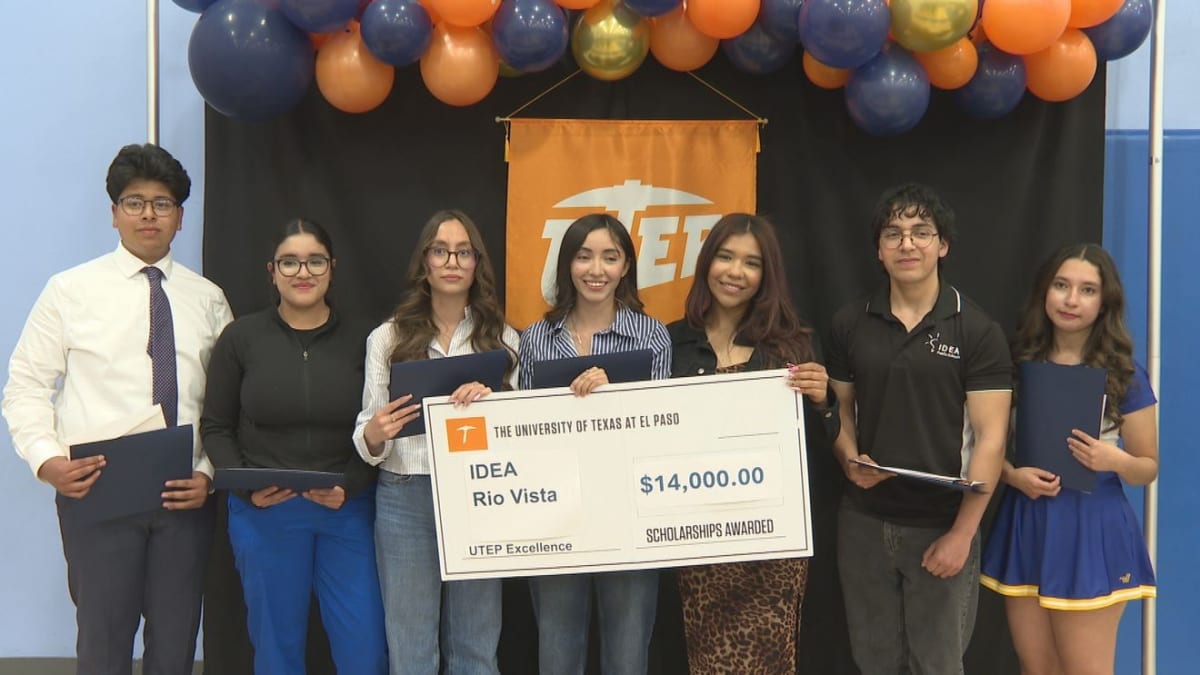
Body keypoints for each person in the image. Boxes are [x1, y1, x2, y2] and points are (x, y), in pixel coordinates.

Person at [2, 143, 232, 675]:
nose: (148, 214)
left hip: (184, 495)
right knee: (103, 647)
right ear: (113, 214)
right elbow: (26, 385)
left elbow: (227, 403)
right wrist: (46, 461)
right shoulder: (69, 291)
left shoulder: (208, 299)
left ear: (179, 216)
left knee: (175, 649)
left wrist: (210, 474)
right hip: (98, 489)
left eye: (162, 203)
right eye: (134, 202)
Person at [826, 183, 1012, 674]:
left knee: (937, 666)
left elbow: (992, 439)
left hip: (941, 525)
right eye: (894, 234)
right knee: (875, 663)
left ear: (942, 245)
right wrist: (849, 458)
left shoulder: (976, 329)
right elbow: (840, 411)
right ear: (879, 251)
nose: (907, 244)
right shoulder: (850, 322)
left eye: (921, 232)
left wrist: (962, 535)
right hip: (863, 522)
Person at [199, 219, 386, 674]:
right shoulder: (241, 338)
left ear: (332, 268)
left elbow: (382, 426)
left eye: (315, 260)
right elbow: (216, 425)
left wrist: (352, 485)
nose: (303, 271)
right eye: (290, 261)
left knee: (365, 648)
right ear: (272, 270)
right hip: (266, 513)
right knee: (276, 647)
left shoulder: (368, 339)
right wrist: (245, 490)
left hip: (346, 510)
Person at [667, 213, 840, 673]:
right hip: (699, 536)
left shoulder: (795, 344)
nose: (735, 272)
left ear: (767, 275)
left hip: (771, 542)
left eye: (751, 262)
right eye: (725, 257)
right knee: (708, 660)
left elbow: (824, 447)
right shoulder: (672, 342)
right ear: (706, 264)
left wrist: (824, 401)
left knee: (768, 660)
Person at [354, 209, 519, 675]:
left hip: (479, 492)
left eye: (463, 252)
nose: (452, 261)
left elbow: (524, 436)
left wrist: (496, 405)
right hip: (406, 496)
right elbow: (367, 427)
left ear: (476, 263)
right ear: (424, 261)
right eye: (441, 250)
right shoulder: (387, 338)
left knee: (476, 646)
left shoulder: (503, 340)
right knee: (410, 646)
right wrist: (375, 432)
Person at [980, 244, 1158, 674]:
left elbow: (1147, 466)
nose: (1071, 299)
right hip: (1029, 521)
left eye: (1087, 290)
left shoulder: (1124, 373)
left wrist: (1110, 459)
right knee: (1036, 666)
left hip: (1091, 528)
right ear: (1046, 292)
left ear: (1104, 302)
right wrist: (1011, 475)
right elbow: (988, 445)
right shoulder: (1015, 362)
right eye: (1061, 285)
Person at [518, 213, 672, 675]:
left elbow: (661, 430)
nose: (596, 269)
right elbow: (522, 433)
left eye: (610, 257)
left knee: (627, 657)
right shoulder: (535, 340)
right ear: (567, 264)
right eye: (584, 256)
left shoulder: (652, 336)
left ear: (626, 267)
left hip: (628, 514)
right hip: (556, 516)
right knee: (557, 654)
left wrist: (617, 394)